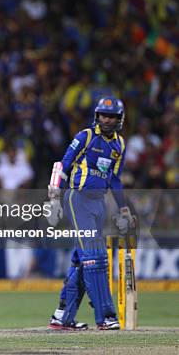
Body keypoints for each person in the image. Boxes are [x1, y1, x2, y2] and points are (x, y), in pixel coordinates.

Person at [47, 97, 135, 330]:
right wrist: (54, 199)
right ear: (97, 116)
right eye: (103, 115)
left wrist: (123, 210)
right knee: (96, 257)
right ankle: (106, 317)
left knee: (82, 260)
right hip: (78, 199)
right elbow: (62, 165)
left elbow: (115, 181)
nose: (107, 120)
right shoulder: (85, 137)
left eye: (112, 116)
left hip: (99, 204)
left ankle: (62, 317)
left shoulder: (120, 145)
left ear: (120, 119)